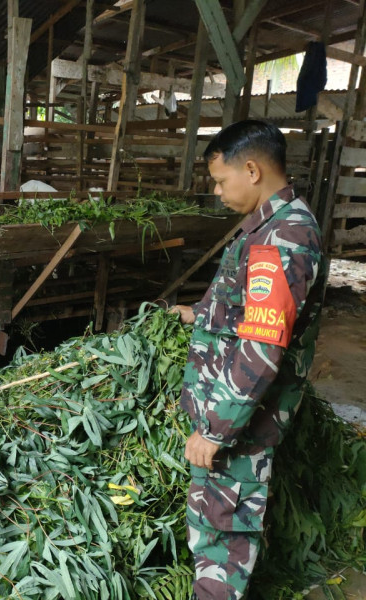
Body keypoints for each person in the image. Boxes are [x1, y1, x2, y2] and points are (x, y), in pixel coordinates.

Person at [170, 120, 325, 599]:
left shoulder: (285, 237)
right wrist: (196, 313)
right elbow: (246, 309)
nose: (218, 192)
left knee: (221, 539)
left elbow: (262, 346)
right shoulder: (266, 225)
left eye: (221, 180)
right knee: (211, 525)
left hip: (242, 421)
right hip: (233, 412)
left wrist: (215, 428)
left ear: (252, 170)